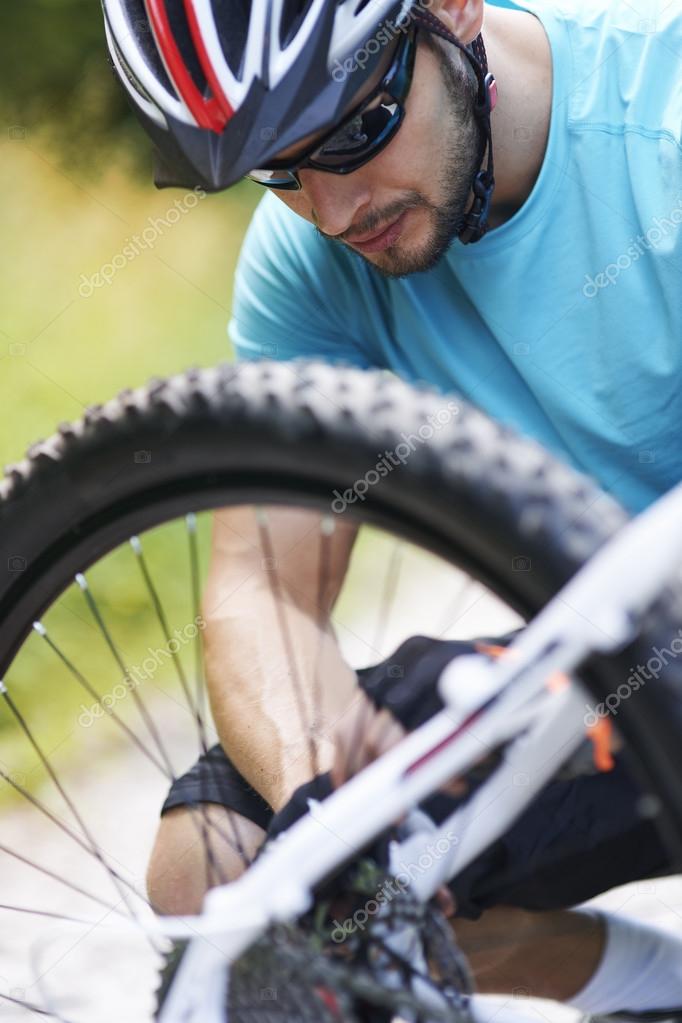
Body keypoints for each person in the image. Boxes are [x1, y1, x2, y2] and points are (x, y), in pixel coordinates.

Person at [102, 0, 682, 1014]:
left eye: (357, 129)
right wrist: (319, 799)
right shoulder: (313, 268)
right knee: (232, 869)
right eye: (280, 168)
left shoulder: (661, 121)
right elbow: (262, 589)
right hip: (627, 653)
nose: (332, 210)